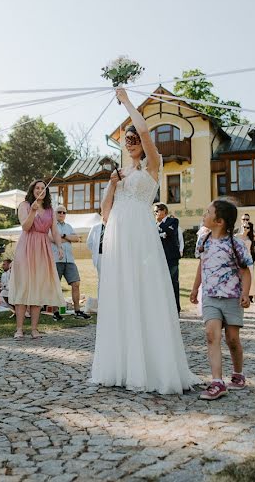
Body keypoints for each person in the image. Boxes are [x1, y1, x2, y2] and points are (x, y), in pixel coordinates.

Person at [91, 88, 199, 394]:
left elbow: (143, 129)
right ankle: (122, 365)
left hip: (140, 232)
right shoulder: (120, 172)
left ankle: (151, 365)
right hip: (117, 235)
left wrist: (125, 101)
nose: (131, 140)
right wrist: (111, 186)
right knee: (120, 292)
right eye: (127, 139)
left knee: (144, 289)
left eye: (134, 138)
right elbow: (104, 212)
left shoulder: (154, 163)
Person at [191, 200, 253, 400]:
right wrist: (195, 289)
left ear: (219, 221)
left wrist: (245, 293)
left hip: (232, 298)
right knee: (211, 335)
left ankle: (238, 373)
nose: (204, 214)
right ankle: (217, 381)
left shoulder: (236, 245)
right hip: (210, 297)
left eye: (208, 212)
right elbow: (202, 266)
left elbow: (245, 271)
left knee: (232, 340)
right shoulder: (203, 240)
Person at [9, 179, 66, 340]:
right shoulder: (25, 205)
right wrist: (33, 211)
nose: (40, 190)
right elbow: (25, 227)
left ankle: (34, 329)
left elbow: (54, 231)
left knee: (37, 289)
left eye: (43, 188)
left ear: (46, 192)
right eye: (37, 188)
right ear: (32, 190)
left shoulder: (50, 209)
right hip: (26, 248)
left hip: (43, 249)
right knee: (23, 287)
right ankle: (19, 329)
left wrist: (60, 247)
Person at [52, 206, 92, 319]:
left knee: (76, 284)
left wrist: (63, 236)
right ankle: (55, 312)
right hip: (56, 259)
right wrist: (68, 238)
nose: (61, 214)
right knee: (56, 286)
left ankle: (77, 311)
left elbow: (76, 239)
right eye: (59, 212)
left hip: (69, 260)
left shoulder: (69, 226)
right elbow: (52, 239)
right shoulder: (51, 226)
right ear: (55, 213)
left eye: (64, 212)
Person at [155, 203, 182, 313]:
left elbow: (170, 232)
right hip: (158, 258)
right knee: (161, 283)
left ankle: (176, 309)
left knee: (173, 282)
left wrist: (160, 229)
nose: (155, 213)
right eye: (154, 211)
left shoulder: (173, 221)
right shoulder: (154, 224)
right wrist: (162, 233)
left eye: (157, 211)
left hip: (171, 258)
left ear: (164, 211)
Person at [237, 214, 255, 303]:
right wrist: (243, 227)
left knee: (251, 277)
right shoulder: (237, 236)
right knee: (239, 278)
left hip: (249, 259)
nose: (246, 228)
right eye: (245, 227)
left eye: (247, 228)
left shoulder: (250, 237)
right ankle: (240, 296)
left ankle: (254, 297)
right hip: (240, 259)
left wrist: (251, 227)